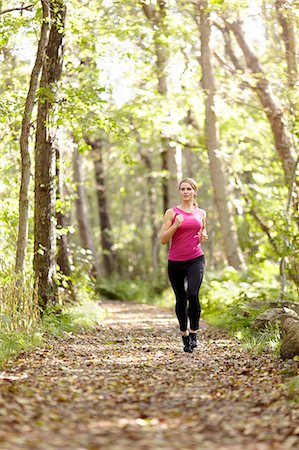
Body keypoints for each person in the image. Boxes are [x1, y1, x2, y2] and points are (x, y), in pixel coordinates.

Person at [159, 178, 208, 353]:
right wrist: (176, 225)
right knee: (181, 298)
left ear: (194, 191)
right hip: (175, 261)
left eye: (189, 189)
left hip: (196, 258)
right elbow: (163, 240)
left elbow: (202, 230)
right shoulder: (171, 213)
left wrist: (204, 234)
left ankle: (194, 333)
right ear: (179, 192)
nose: (185, 192)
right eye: (182, 189)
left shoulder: (201, 212)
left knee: (193, 294)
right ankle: (184, 335)